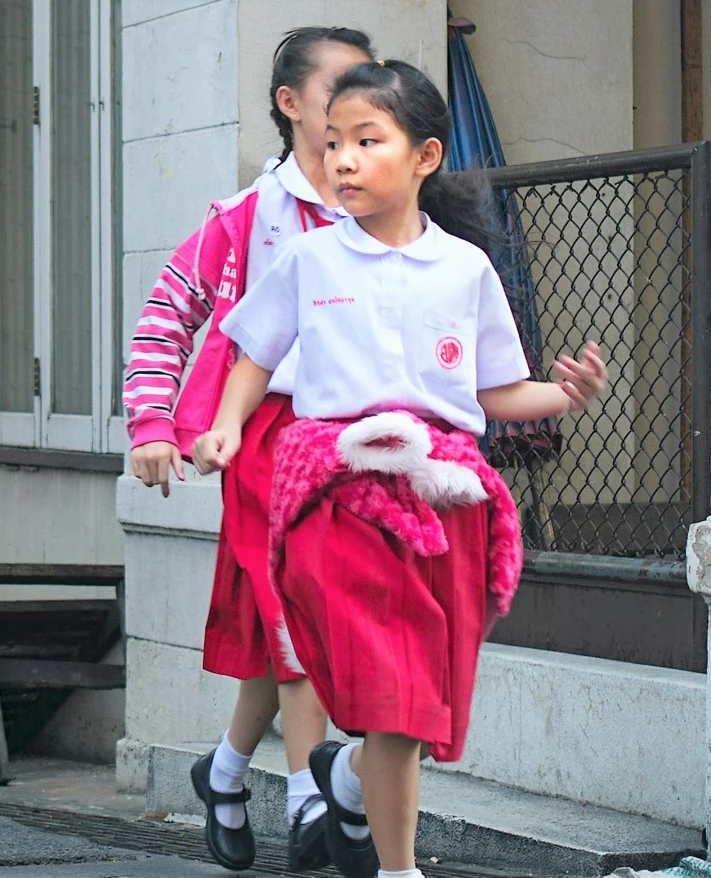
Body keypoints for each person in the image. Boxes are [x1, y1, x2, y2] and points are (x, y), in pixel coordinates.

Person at [195, 59, 610, 878]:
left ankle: (350, 787)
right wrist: (225, 428)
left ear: (422, 157)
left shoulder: (465, 269)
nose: (343, 159)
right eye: (334, 142)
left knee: (415, 702)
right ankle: (395, 861)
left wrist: (567, 397)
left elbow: (495, 389)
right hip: (335, 492)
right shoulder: (311, 262)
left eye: (366, 141)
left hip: (444, 495)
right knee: (387, 689)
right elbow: (253, 352)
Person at [122, 25, 373, 873]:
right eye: (336, 86)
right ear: (290, 103)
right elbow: (166, 316)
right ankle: (310, 799)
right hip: (266, 436)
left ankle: (224, 771)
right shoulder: (245, 218)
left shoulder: (381, 206)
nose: (352, 103)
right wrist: (153, 424)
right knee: (300, 607)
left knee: (290, 622)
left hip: (363, 444)